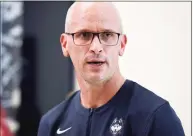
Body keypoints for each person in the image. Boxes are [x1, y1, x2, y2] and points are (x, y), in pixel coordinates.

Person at [37, 2, 185, 136]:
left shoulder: (156, 118)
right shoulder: (51, 124)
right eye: (84, 35)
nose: (96, 48)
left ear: (122, 44)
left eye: (107, 35)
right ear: (65, 44)